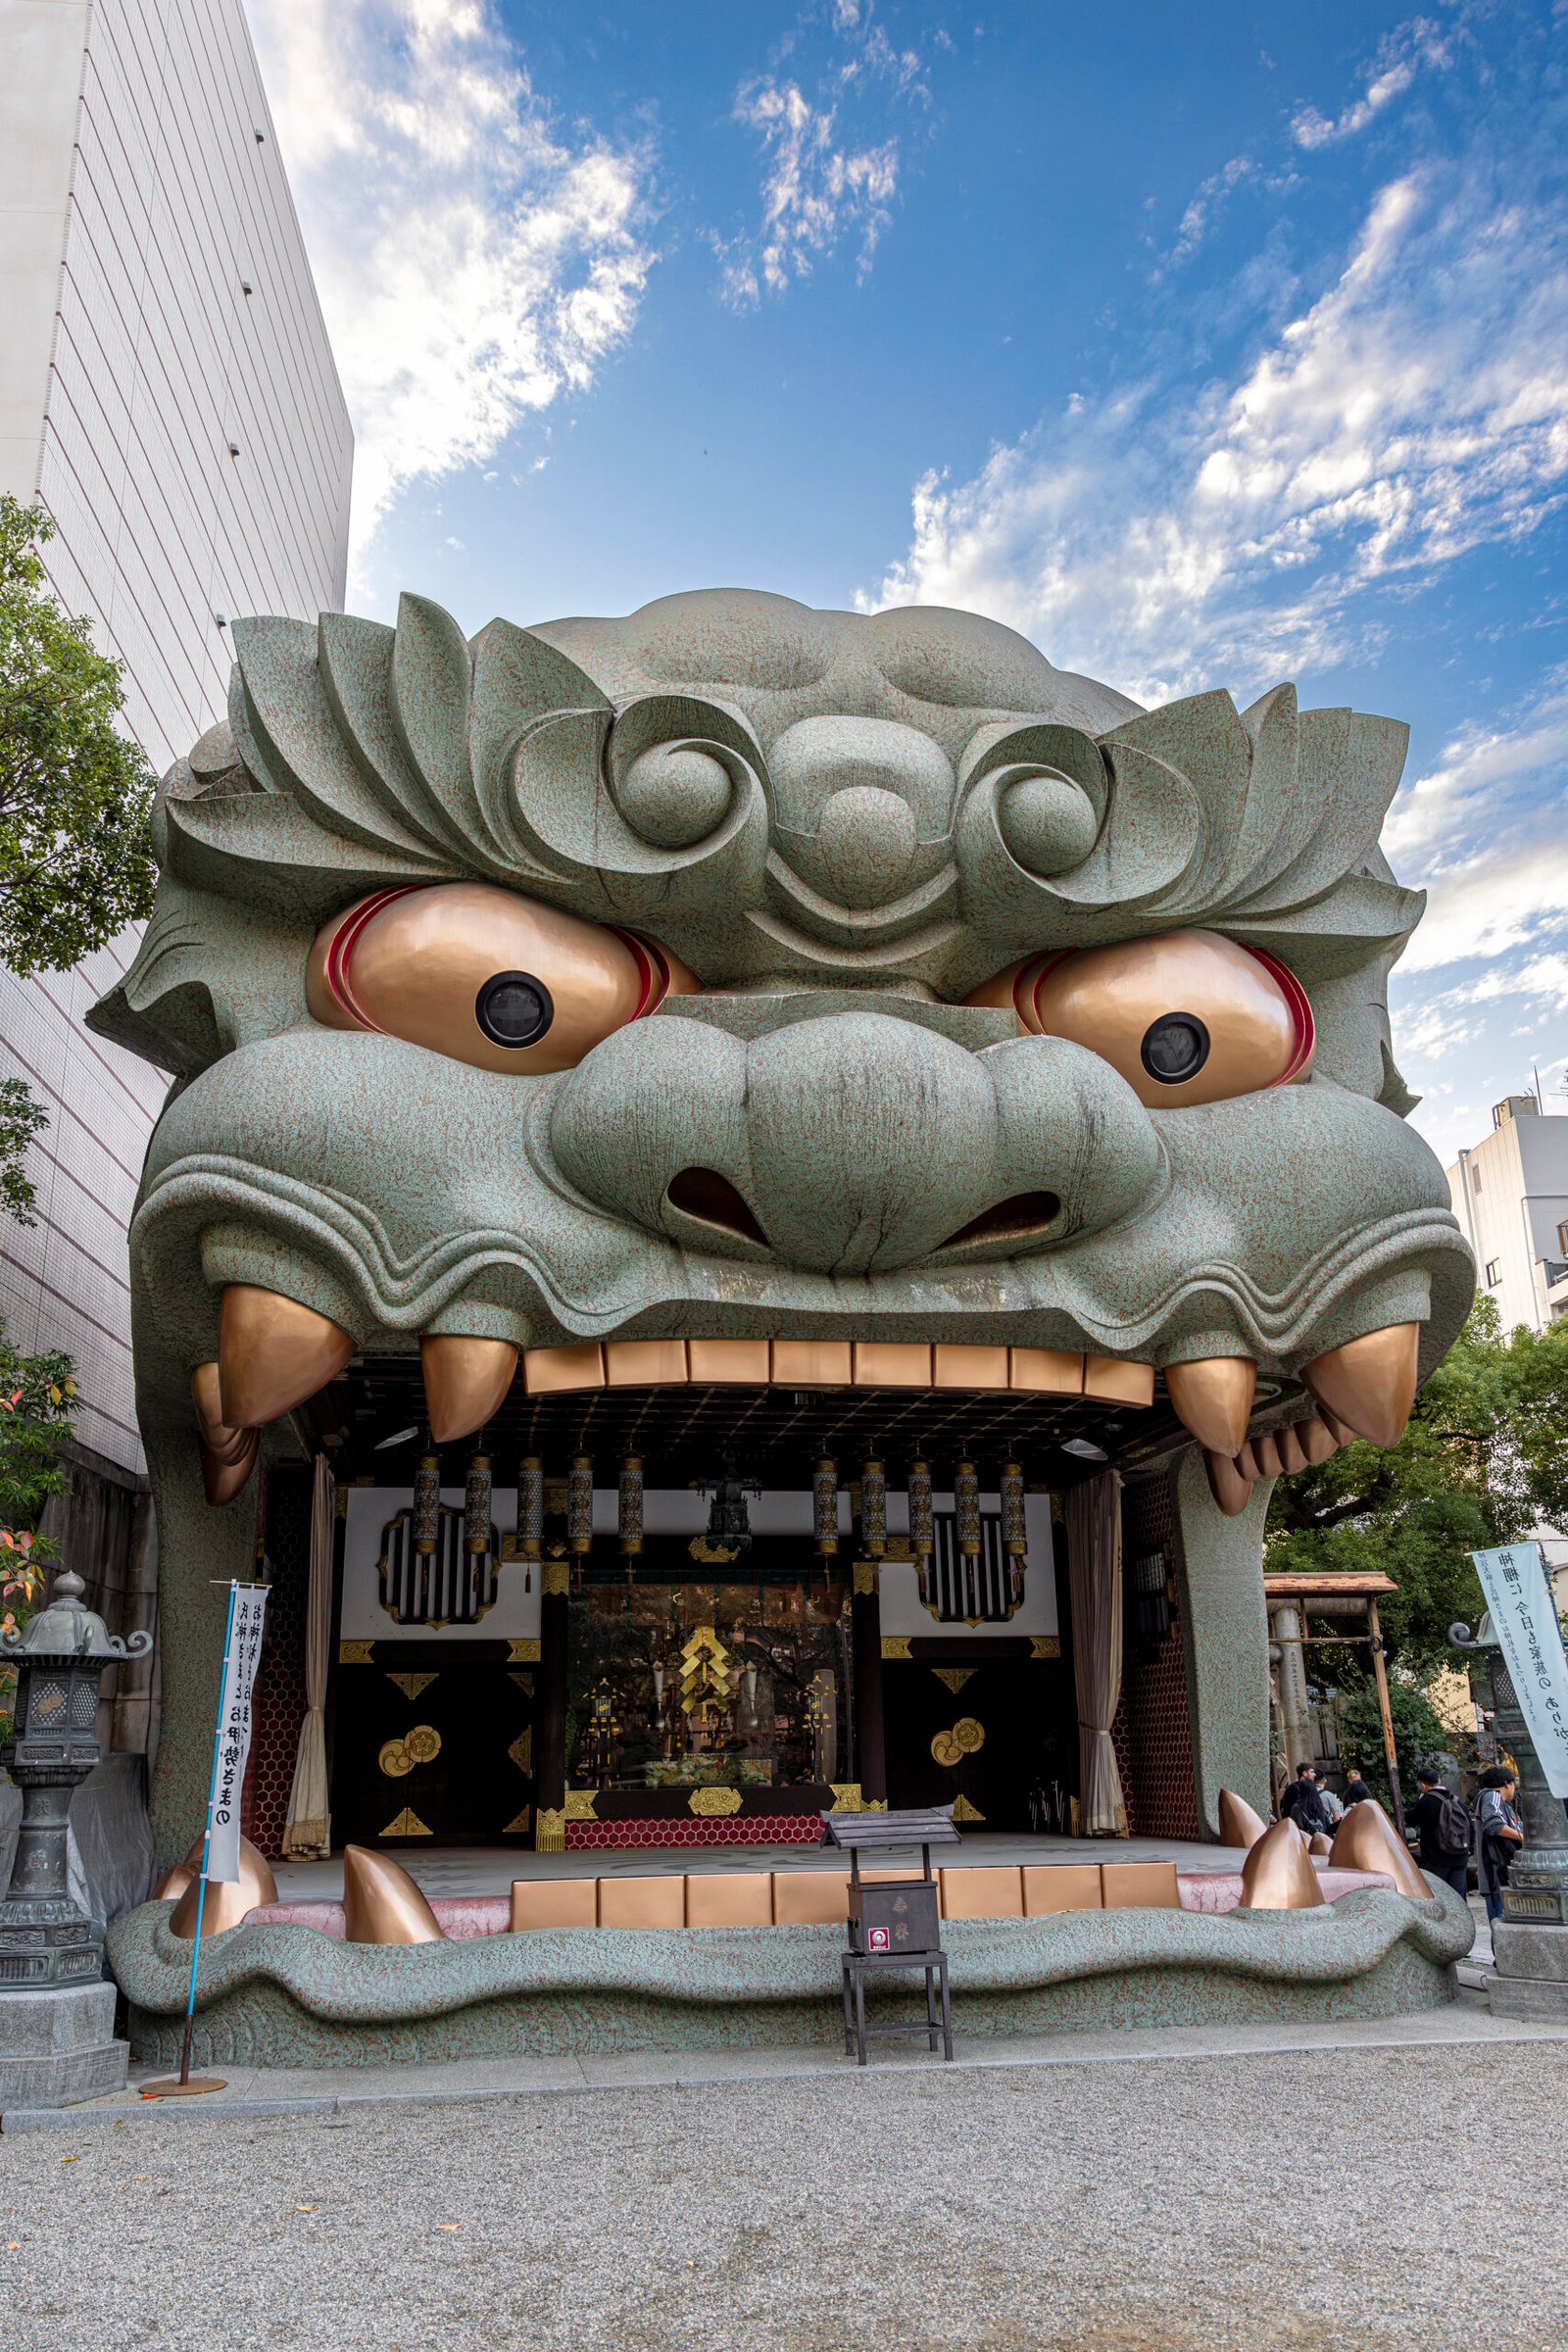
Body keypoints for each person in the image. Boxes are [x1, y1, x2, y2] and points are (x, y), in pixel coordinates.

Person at [1407, 1764, 1471, 1897]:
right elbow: (1469, 1826)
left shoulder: (1426, 1801)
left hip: (1437, 1858)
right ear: (1439, 1781)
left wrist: (1417, 1803)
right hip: (1460, 1855)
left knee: (1439, 1896)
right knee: (1459, 1897)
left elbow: (1410, 1819)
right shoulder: (1456, 1800)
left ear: (1423, 1785)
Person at [1477, 1766, 1524, 1923]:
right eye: (1513, 1784)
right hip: (1497, 1873)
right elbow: (1493, 1825)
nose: (1514, 1789)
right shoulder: (1493, 1796)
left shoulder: (1504, 1804)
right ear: (1506, 1783)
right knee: (1503, 1925)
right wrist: (1521, 1837)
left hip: (1499, 1875)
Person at [1282, 1762, 1334, 1839]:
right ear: (1305, 1773)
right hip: (1320, 1837)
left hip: (1303, 1838)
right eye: (1312, 1772)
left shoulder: (1296, 1805)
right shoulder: (1294, 1789)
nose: (1315, 1774)